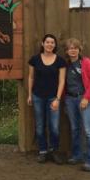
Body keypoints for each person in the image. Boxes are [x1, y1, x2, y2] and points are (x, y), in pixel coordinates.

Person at [28, 34, 66, 164]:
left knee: (54, 127)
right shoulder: (35, 60)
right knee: (40, 126)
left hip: (53, 98)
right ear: (43, 44)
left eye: (52, 43)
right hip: (38, 96)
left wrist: (58, 99)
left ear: (55, 45)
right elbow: (31, 77)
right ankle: (43, 151)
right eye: (47, 42)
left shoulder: (60, 61)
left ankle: (54, 150)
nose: (50, 44)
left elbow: (62, 81)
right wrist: (29, 94)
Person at [64, 38, 90, 172]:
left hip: (85, 99)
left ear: (79, 50)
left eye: (75, 48)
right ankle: (78, 155)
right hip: (70, 99)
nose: (72, 50)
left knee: (89, 131)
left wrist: (86, 98)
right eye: (70, 48)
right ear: (66, 51)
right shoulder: (65, 65)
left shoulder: (85, 62)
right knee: (75, 129)